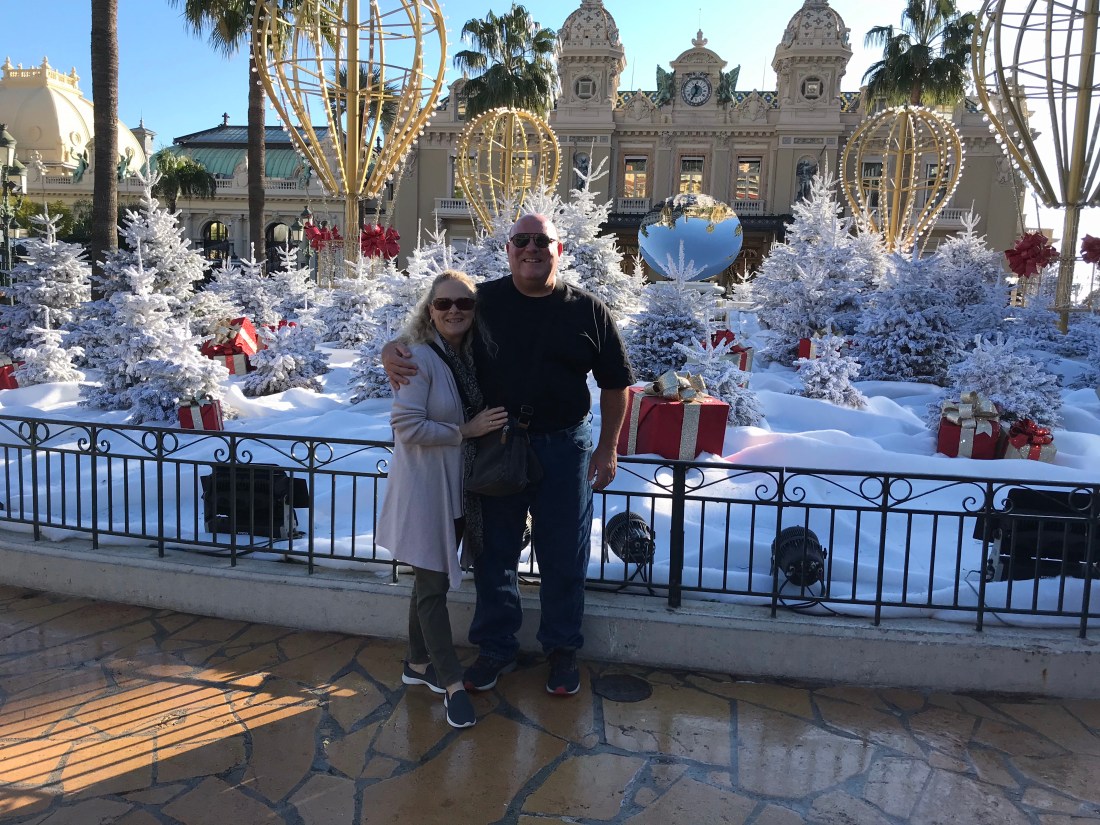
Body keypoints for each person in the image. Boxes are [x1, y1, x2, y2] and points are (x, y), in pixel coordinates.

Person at [383, 213, 634, 697]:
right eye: (522, 240)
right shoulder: (484, 301)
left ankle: (562, 649)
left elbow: (615, 384)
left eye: (542, 240)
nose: (531, 248)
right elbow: (437, 325)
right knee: (494, 552)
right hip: (497, 444)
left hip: (565, 446)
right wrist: (391, 349)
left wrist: (608, 448)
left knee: (564, 552)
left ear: (559, 249)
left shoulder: (589, 310)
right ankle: (496, 648)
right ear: (509, 250)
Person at [376, 270, 507, 729]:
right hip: (426, 493)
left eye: (464, 304)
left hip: (455, 490)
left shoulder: (466, 356)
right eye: (444, 303)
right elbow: (406, 426)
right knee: (432, 588)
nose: (454, 311)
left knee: (427, 581)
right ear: (429, 311)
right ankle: (452, 684)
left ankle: (417, 664)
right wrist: (465, 431)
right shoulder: (417, 359)